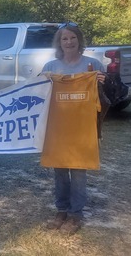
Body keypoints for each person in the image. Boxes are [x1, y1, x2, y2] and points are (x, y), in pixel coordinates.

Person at [41, 22, 106, 234]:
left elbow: (108, 97)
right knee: (59, 171)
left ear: (79, 40)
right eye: (64, 39)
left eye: (72, 38)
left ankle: (75, 215)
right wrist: (41, 81)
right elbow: (38, 94)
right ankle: (61, 210)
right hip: (57, 129)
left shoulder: (93, 65)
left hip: (81, 129)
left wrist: (103, 82)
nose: (69, 42)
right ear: (60, 42)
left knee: (78, 171)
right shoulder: (51, 67)